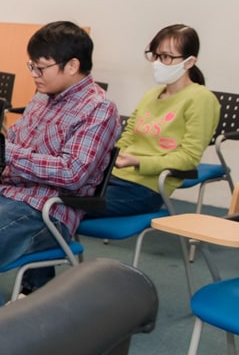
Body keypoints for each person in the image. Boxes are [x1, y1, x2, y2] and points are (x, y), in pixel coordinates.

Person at [0, 21, 119, 312]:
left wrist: (7, 153)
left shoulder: (98, 108)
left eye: (41, 68)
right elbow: (14, 142)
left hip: (48, 209)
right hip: (7, 194)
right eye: (32, 66)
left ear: (72, 66)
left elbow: (72, 173)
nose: (34, 74)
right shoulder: (42, 97)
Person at [84, 24, 220, 218]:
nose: (157, 63)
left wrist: (139, 161)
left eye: (166, 57)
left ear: (189, 62)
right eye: (155, 55)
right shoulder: (152, 94)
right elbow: (128, 137)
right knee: (50, 197)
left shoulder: (201, 99)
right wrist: (111, 158)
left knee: (63, 208)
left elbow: (188, 158)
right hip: (113, 176)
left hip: (147, 187)